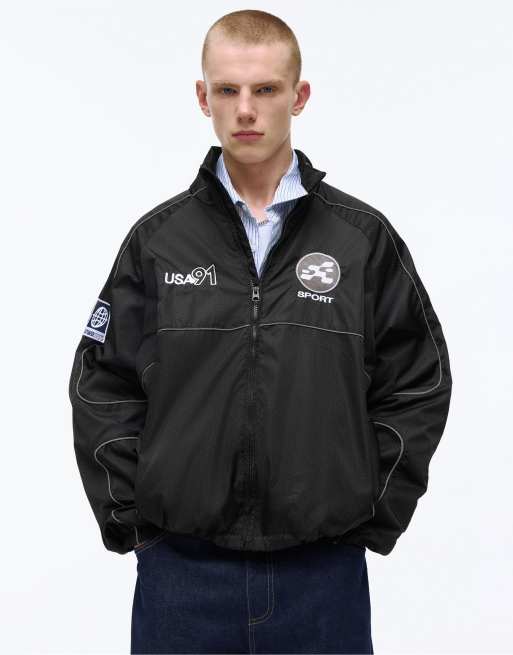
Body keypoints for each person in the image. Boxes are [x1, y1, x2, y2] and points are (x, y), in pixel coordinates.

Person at [68, 9, 452, 655]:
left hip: (322, 578)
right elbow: (101, 382)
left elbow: (419, 381)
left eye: (266, 89)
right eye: (228, 90)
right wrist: (133, 521)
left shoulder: (360, 239)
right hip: (181, 580)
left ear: (298, 96)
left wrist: (373, 510)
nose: (245, 109)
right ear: (203, 98)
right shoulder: (157, 241)